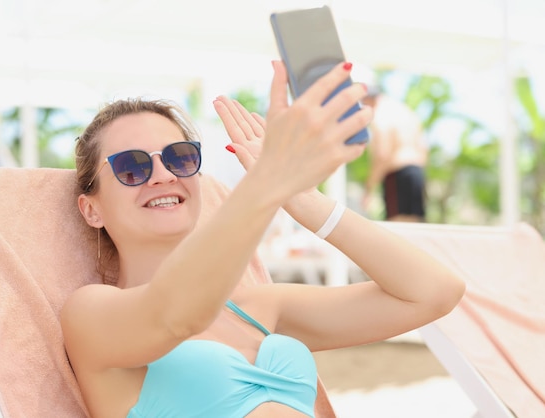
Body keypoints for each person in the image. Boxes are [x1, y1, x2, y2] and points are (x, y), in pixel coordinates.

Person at [60, 60, 465, 418]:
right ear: (91, 209)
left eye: (180, 157)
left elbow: (435, 292)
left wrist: (305, 201)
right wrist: (268, 181)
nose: (164, 175)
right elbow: (175, 314)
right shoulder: (91, 313)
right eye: (132, 167)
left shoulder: (258, 307)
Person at [361, 87, 429, 222]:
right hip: (417, 171)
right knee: (416, 223)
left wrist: (369, 188)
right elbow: (424, 147)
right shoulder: (406, 112)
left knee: (398, 225)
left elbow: (382, 154)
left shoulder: (381, 114)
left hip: (397, 173)